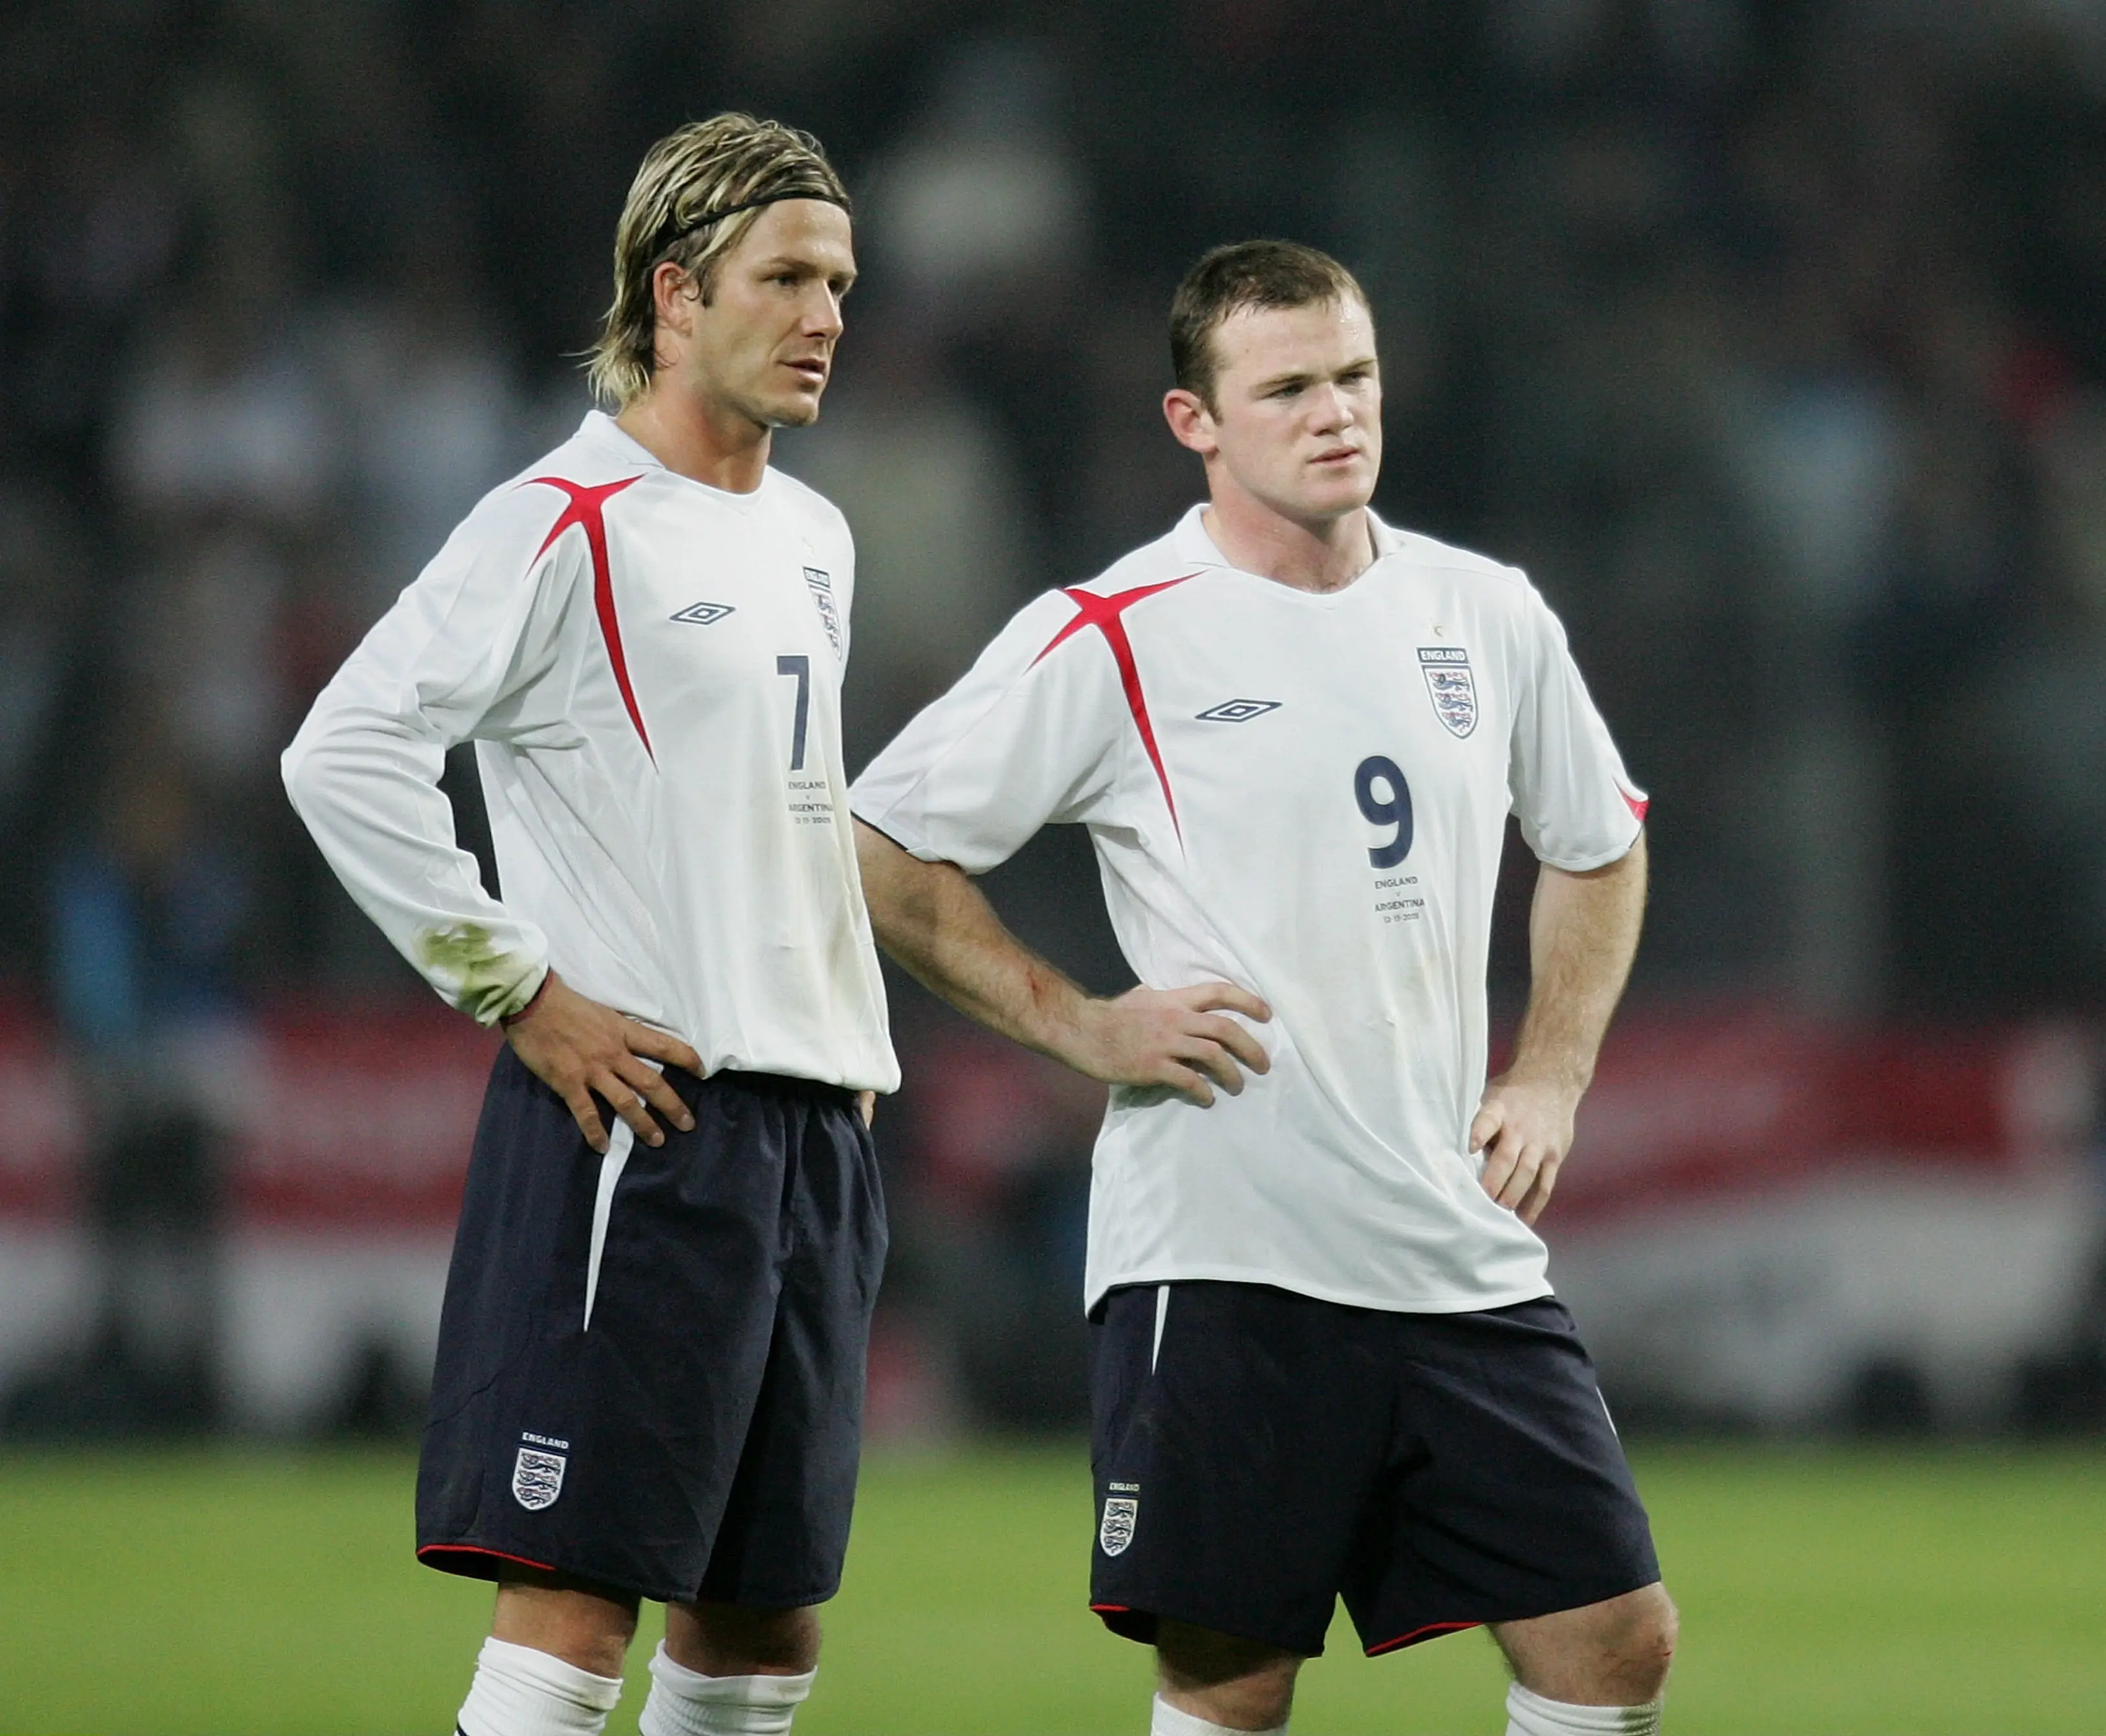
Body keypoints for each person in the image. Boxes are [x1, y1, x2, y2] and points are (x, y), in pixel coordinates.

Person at [851, 240, 1675, 1736]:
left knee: (1611, 1641)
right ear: (1196, 424)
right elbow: (879, 844)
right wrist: (1081, 1022)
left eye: (1352, 376)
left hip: (1448, 1241)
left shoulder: (1483, 613)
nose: (1333, 412)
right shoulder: (1114, 632)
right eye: (1284, 386)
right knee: (1231, 1679)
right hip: (1226, 1252)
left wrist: (1549, 1069)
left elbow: (1596, 846)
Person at [283, 114, 896, 1736]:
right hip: (647, 1118)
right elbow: (342, 751)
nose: (827, 311)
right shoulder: (559, 517)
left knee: (760, 1625)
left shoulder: (815, 536)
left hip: (809, 1132)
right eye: (786, 277)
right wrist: (523, 990)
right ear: (674, 293)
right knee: (572, 1604)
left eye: (839, 277)